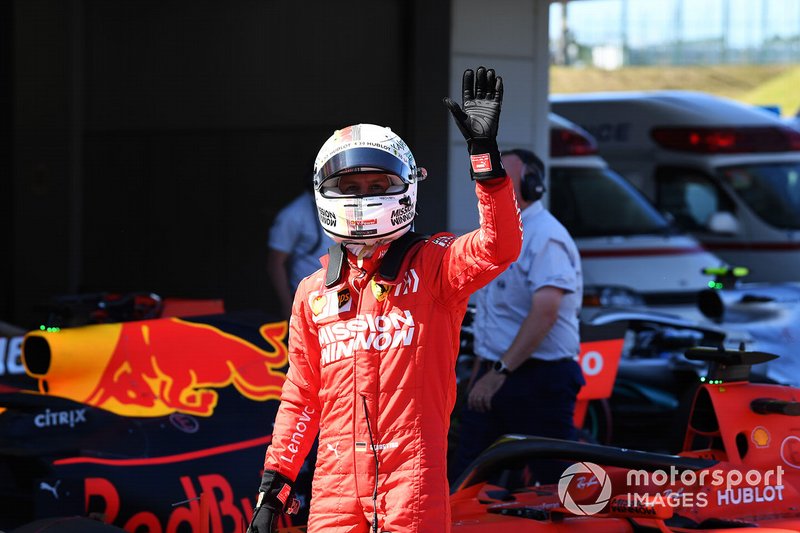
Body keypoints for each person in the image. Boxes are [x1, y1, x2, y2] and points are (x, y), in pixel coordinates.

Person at [247, 66, 522, 533]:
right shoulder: (313, 292)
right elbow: (301, 398)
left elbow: (499, 247)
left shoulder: (436, 267)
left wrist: (484, 160)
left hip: (411, 481)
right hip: (333, 489)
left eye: (377, 187)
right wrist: (274, 489)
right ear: (325, 192)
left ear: (407, 186)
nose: (363, 199)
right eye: (350, 188)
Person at [450, 148, 585, 484]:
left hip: (538, 380)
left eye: (502, 179)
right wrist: (484, 371)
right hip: (497, 375)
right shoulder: (497, 236)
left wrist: (499, 371)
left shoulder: (545, 235)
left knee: (554, 485)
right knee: (466, 477)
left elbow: (545, 312)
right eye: (488, 179)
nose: (492, 185)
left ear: (533, 185)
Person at [267, 174, 334, 317]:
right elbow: (275, 263)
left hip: (341, 296)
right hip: (307, 301)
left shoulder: (345, 209)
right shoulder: (292, 214)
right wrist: (286, 305)